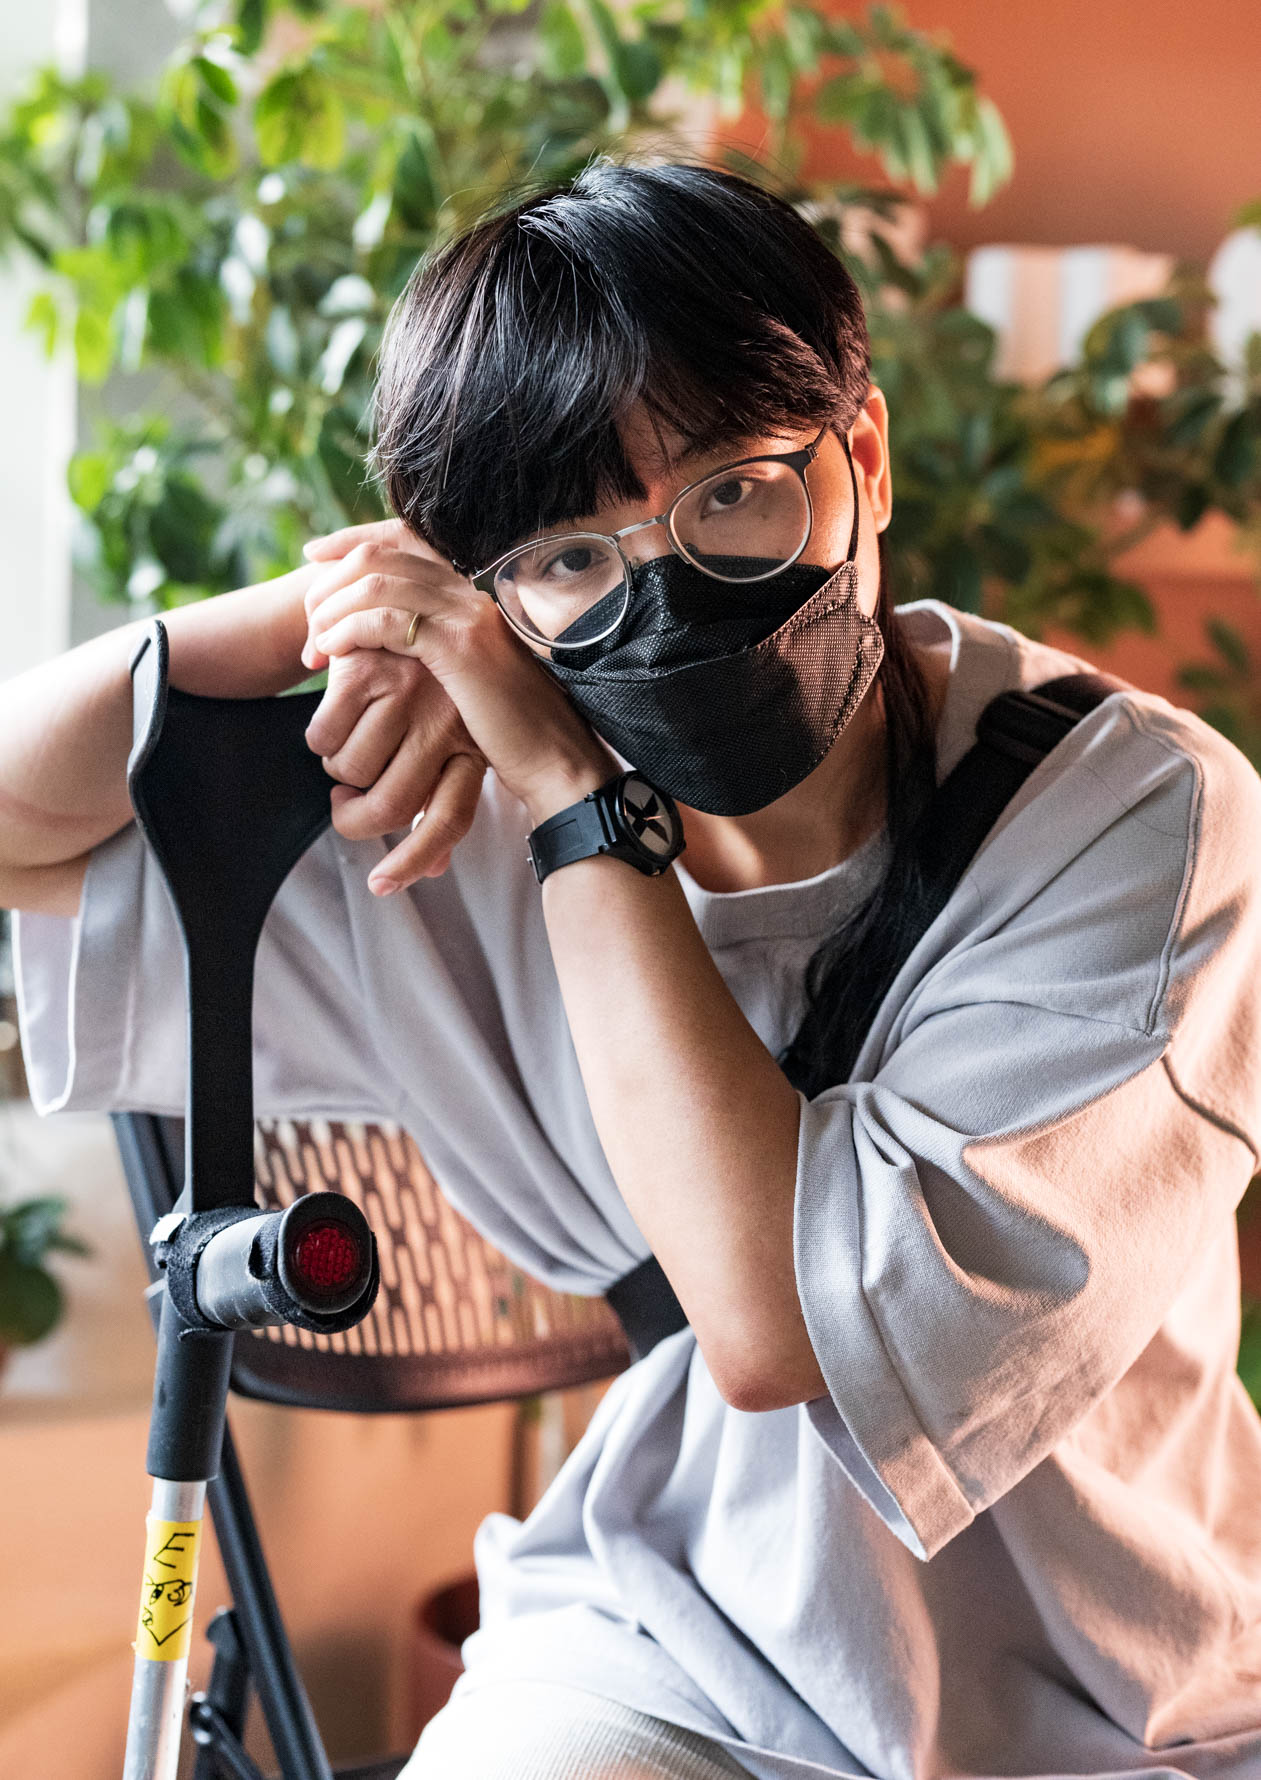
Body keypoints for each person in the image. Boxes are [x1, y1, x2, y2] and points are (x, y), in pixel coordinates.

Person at [5, 160, 1261, 1780]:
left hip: (1122, 1692)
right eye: (567, 557)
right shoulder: (437, 803)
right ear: (492, 593)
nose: (662, 592)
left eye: (734, 493)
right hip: (669, 1647)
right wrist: (311, 609)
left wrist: (571, 805)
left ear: (861, 459)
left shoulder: (1128, 820)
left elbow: (775, 1325)